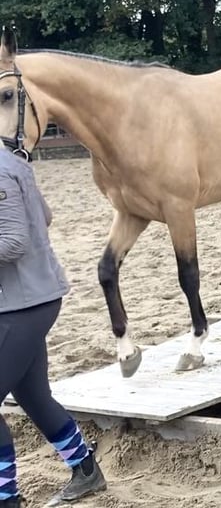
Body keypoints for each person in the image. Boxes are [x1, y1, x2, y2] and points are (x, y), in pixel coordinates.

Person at [0, 142, 106, 507]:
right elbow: (44, 216)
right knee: (32, 395)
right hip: (34, 296)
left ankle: (6, 499)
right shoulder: (12, 161)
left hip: (22, 304)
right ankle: (85, 470)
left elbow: (15, 241)